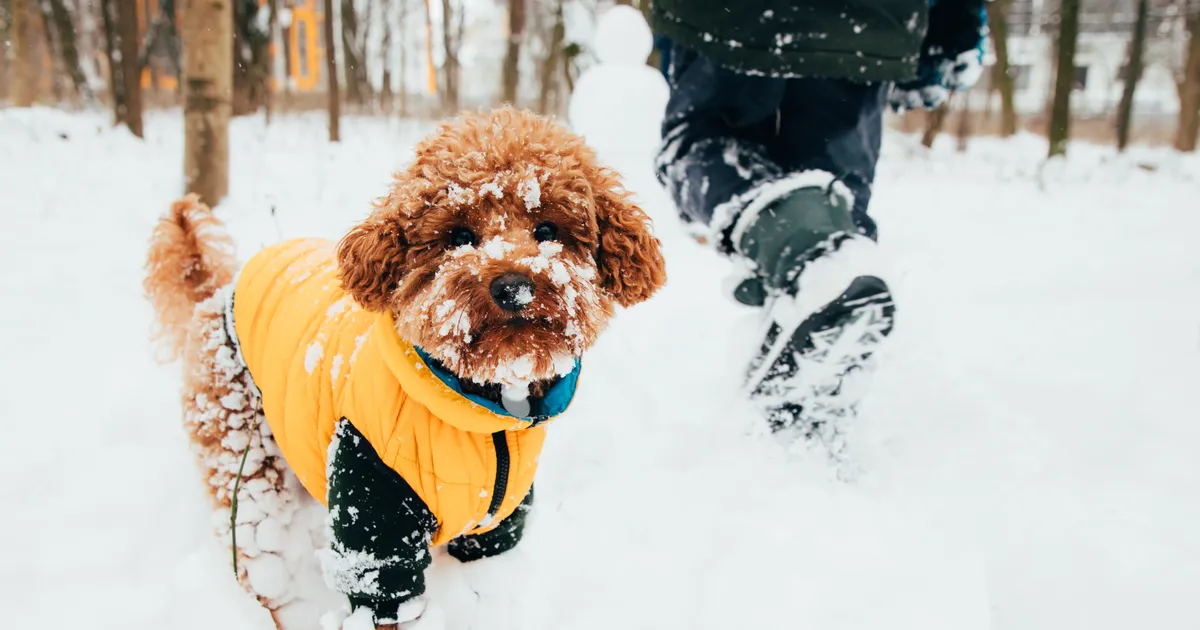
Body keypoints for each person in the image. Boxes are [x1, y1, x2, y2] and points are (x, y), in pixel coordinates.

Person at [651, 1, 987, 439]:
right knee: (835, 191)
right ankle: (822, 364)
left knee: (704, 146)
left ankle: (813, 266)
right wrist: (952, 26)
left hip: (731, 15)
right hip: (871, 19)